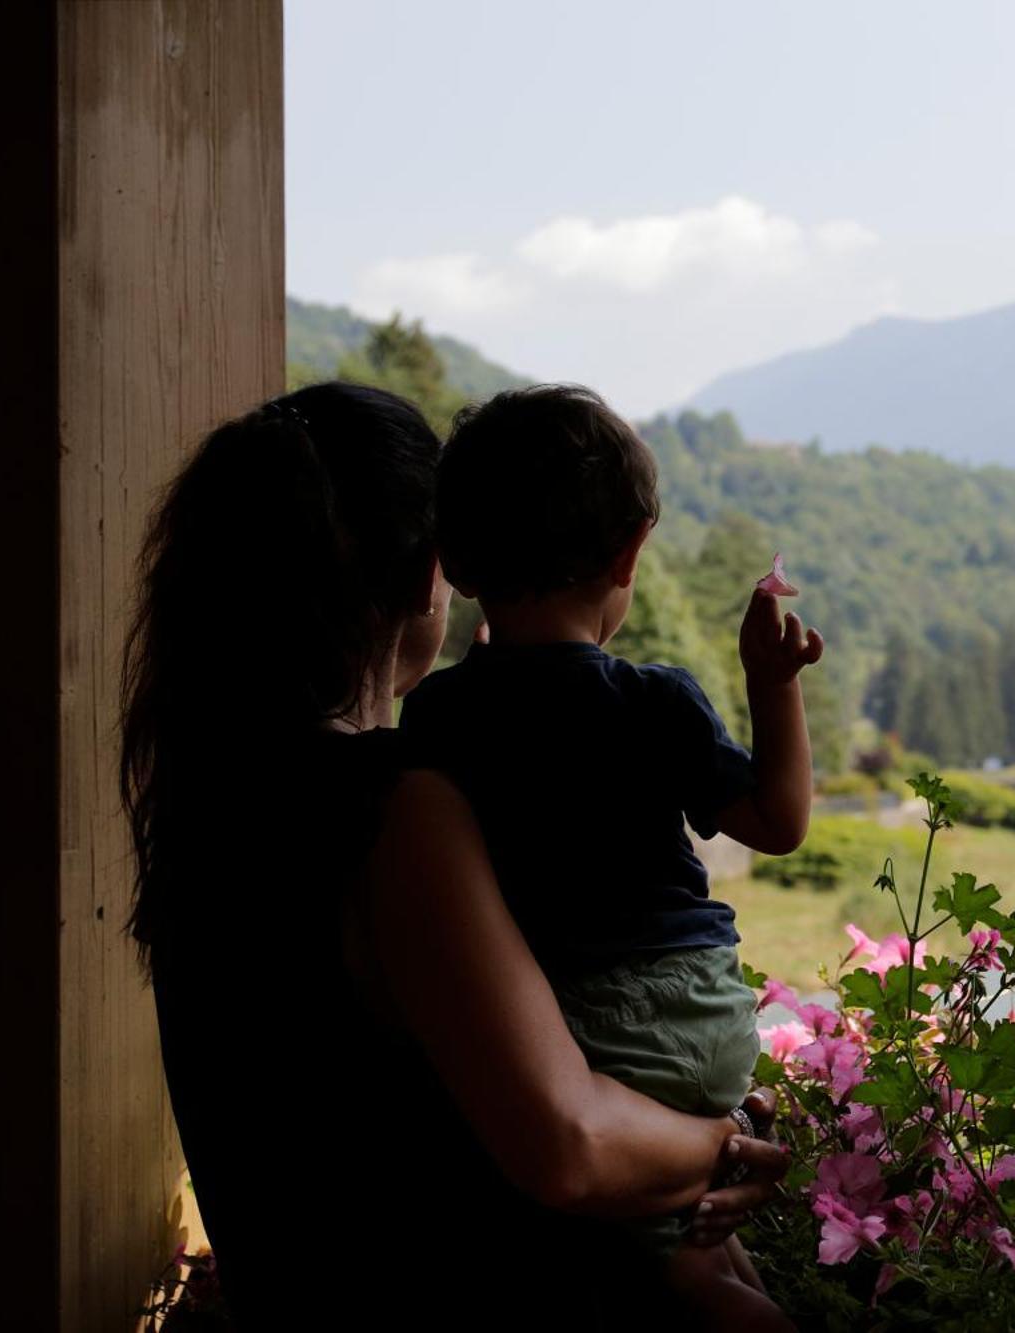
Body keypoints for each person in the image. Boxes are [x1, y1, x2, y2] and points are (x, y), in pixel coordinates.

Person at [121, 381, 786, 1328]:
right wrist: (721, 1139)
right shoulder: (393, 809)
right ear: (430, 572)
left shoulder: (216, 807)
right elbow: (569, 1142)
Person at [401, 385, 823, 1328]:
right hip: (706, 1005)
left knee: (682, 1281)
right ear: (632, 549)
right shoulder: (655, 701)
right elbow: (780, 819)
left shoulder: (438, 716)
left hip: (590, 1032)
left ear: (456, 562)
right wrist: (771, 682)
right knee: (707, 1253)